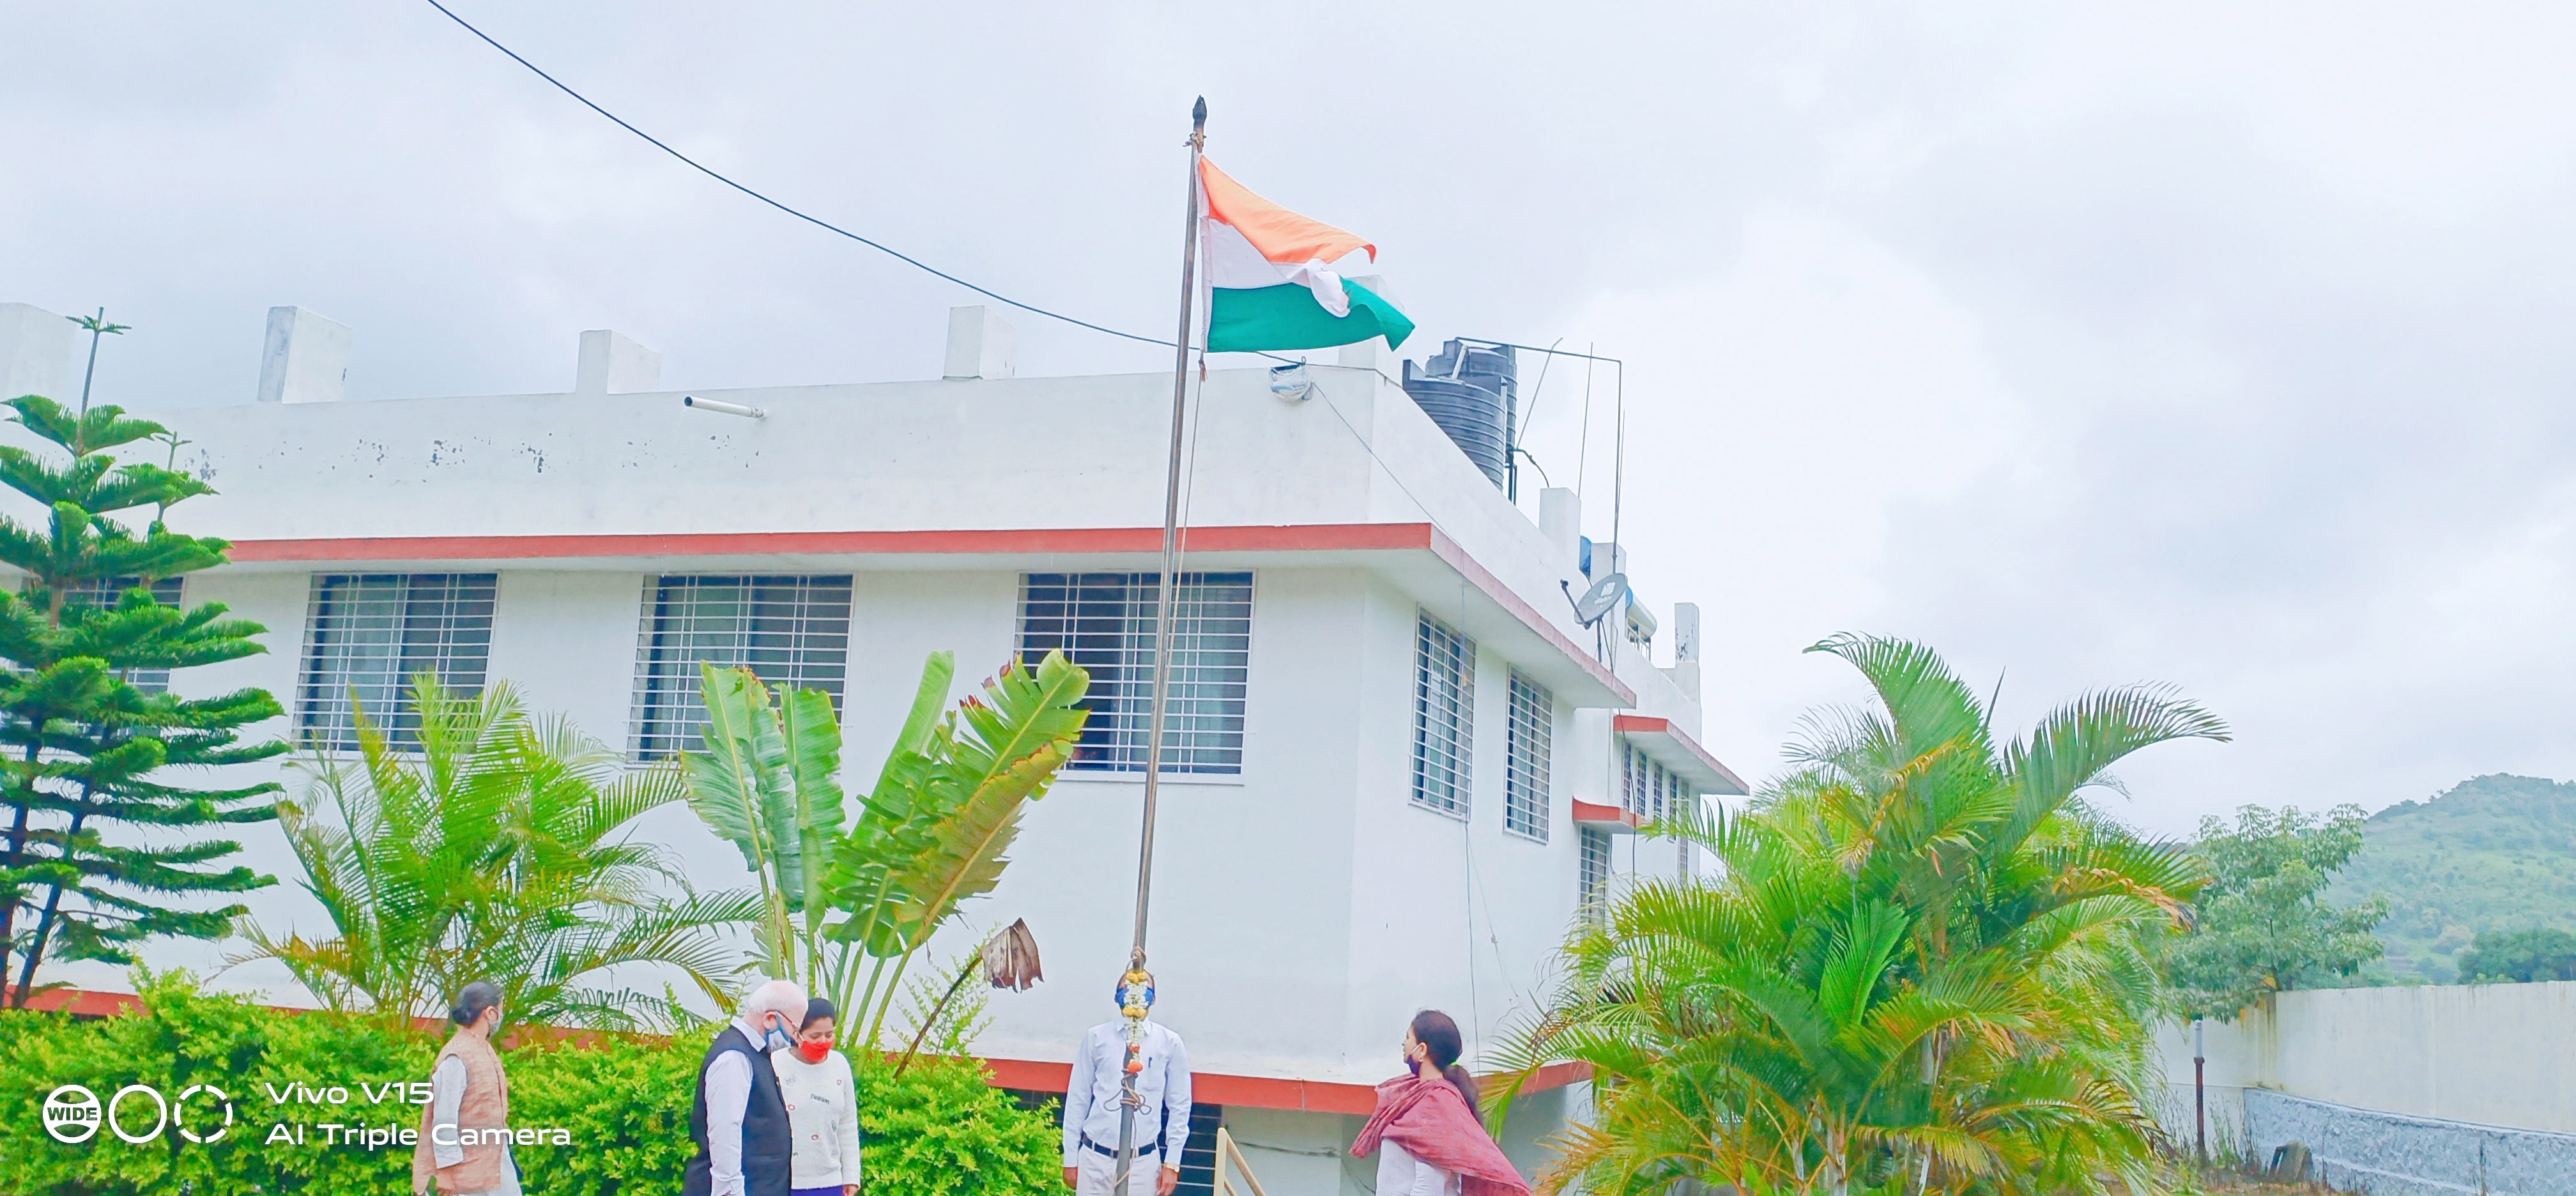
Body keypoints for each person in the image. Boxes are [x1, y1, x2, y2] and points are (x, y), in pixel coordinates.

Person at [1351, 1011, 1531, 1196]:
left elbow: (1429, 1184)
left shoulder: (1437, 1103)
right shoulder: (1418, 1095)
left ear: (1422, 1049)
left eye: (1408, 1037)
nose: (1404, 1043)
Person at [1062, 970, 1191, 1196]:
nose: (1134, 994)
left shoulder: (1169, 1043)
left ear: (1153, 998)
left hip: (1142, 1163)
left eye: (1142, 988)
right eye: (1126, 987)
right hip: (1095, 1159)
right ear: (1117, 996)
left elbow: (1180, 1105)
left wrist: (1172, 1163)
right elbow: (1077, 1098)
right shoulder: (1096, 1038)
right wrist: (1071, 1157)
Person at [686, 979, 809, 1196]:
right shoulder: (734, 1057)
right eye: (795, 1029)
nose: (796, 1039)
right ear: (771, 1019)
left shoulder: (756, 1054)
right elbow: (725, 1131)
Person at [412, 981, 520, 1196]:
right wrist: (445, 1172)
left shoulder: (482, 1048)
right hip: (464, 1173)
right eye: (501, 1007)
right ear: (490, 1013)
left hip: (491, 1165)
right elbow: (444, 1118)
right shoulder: (457, 1055)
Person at [773, 996, 862, 1196]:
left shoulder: (839, 1064)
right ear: (797, 1033)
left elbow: (847, 1124)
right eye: (815, 1036)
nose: (823, 1041)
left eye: (829, 1035)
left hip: (830, 1181)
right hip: (784, 1181)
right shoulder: (776, 1063)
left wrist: (851, 1177)